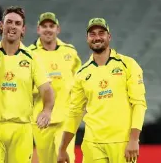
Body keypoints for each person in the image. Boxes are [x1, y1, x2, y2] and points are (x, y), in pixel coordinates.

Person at [0, 0, 55, 163]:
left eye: (17, 23)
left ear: (23, 29)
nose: (13, 26)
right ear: (1, 25)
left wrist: (47, 110)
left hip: (21, 130)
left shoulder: (32, 58)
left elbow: (47, 90)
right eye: (9, 22)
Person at [57, 18, 147, 163]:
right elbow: (75, 112)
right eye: (92, 34)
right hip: (92, 143)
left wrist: (134, 139)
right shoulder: (82, 73)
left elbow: (139, 103)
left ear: (109, 37)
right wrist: (62, 149)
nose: (97, 37)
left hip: (122, 142)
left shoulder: (128, 65)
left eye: (101, 33)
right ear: (87, 38)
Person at [28, 12, 81, 163]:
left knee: (64, 158)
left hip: (65, 118)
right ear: (38, 29)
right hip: (40, 120)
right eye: (44, 26)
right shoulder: (30, 54)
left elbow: (80, 81)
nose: (48, 29)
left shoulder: (70, 52)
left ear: (58, 29)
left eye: (51, 26)